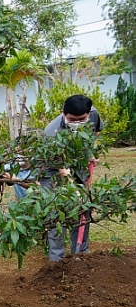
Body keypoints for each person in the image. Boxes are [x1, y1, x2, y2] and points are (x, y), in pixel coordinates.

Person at [40, 95, 103, 261]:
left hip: (78, 163)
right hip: (53, 170)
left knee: (83, 209)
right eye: (72, 119)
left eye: (81, 119)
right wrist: (74, 191)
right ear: (63, 114)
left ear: (88, 114)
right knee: (56, 210)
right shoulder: (52, 132)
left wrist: (92, 151)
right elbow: (63, 170)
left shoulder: (94, 114)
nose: (76, 122)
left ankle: (81, 255)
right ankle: (57, 260)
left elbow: (96, 131)